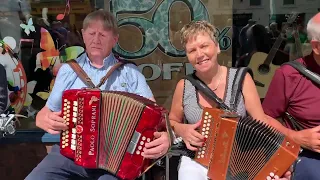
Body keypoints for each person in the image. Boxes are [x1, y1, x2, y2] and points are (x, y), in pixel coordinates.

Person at [26, 10, 170, 180]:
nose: (96, 39)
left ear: (114, 39)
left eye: (103, 34)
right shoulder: (68, 70)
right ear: (83, 36)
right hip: (70, 155)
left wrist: (166, 137)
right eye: (92, 33)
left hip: (116, 162)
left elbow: (156, 118)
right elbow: (45, 113)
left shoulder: (130, 72)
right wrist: (43, 119)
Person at [169, 20, 293, 180]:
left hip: (239, 160)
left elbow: (261, 123)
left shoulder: (242, 79)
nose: (199, 54)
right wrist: (182, 130)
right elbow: (171, 121)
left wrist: (278, 162)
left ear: (217, 47)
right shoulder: (184, 86)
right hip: (197, 161)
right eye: (192, 50)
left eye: (204, 46)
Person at [262, 12, 320, 180]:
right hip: (306, 156)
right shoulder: (289, 75)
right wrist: (296, 137)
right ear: (316, 47)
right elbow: (265, 119)